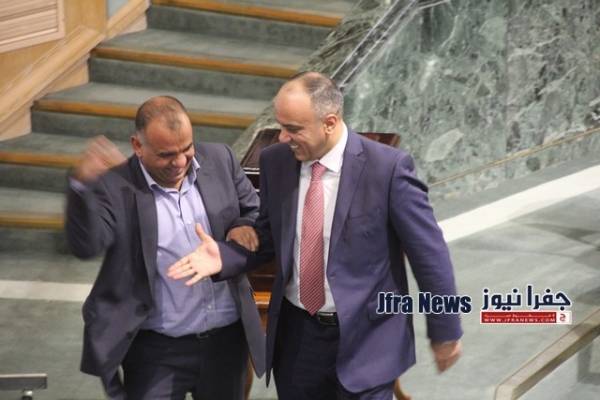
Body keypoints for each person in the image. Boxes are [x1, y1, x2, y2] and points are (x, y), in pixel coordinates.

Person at [168, 73, 463, 399]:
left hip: (368, 342)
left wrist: (445, 330)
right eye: (281, 126)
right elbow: (267, 236)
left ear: (329, 123)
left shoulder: (387, 169)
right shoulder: (276, 161)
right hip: (298, 343)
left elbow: (429, 254)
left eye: (293, 129)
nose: (283, 137)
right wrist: (225, 256)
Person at [65, 96, 265, 400]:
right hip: (157, 352)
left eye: (187, 149)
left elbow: (256, 212)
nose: (180, 162)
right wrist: (82, 187)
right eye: (166, 155)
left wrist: (242, 224)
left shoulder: (220, 159)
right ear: (137, 145)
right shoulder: (116, 184)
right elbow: (86, 246)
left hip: (225, 345)